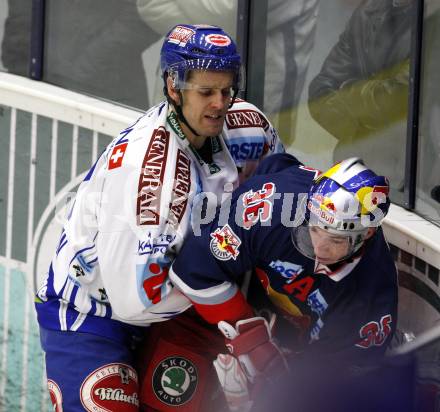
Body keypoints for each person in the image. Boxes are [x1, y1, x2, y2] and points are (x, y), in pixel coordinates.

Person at [35, 24, 283, 412]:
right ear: (173, 87)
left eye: (226, 90)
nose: (220, 104)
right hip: (91, 315)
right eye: (205, 92)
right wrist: (215, 282)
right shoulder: (154, 180)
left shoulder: (247, 127)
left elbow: (280, 194)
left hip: (171, 305)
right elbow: (136, 301)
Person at [168, 153, 398, 410]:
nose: (319, 249)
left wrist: (276, 381)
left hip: (313, 351)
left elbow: (328, 389)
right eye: (314, 229)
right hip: (242, 305)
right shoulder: (272, 207)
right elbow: (193, 270)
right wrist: (252, 338)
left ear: (366, 234)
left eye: (335, 239)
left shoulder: (371, 299)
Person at [307, 0, 414, 193]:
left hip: (409, 177)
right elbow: (320, 93)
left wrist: (348, 92)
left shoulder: (432, 21)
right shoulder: (369, 11)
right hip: (355, 169)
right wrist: (361, 131)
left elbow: (397, 97)